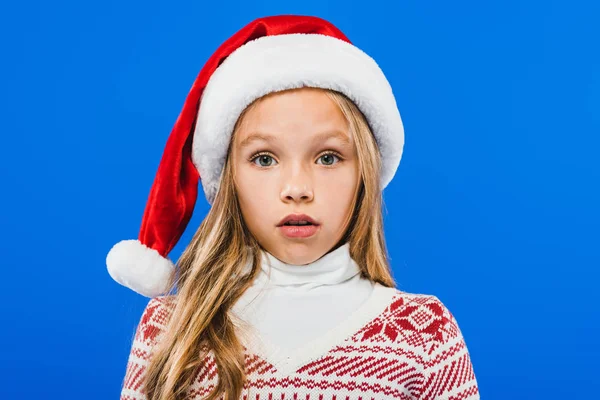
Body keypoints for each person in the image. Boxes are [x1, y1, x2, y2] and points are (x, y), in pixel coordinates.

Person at [106, 14, 480, 400]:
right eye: (265, 159)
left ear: (364, 174)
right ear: (228, 178)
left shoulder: (425, 333)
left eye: (328, 157)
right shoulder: (169, 329)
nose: (298, 189)